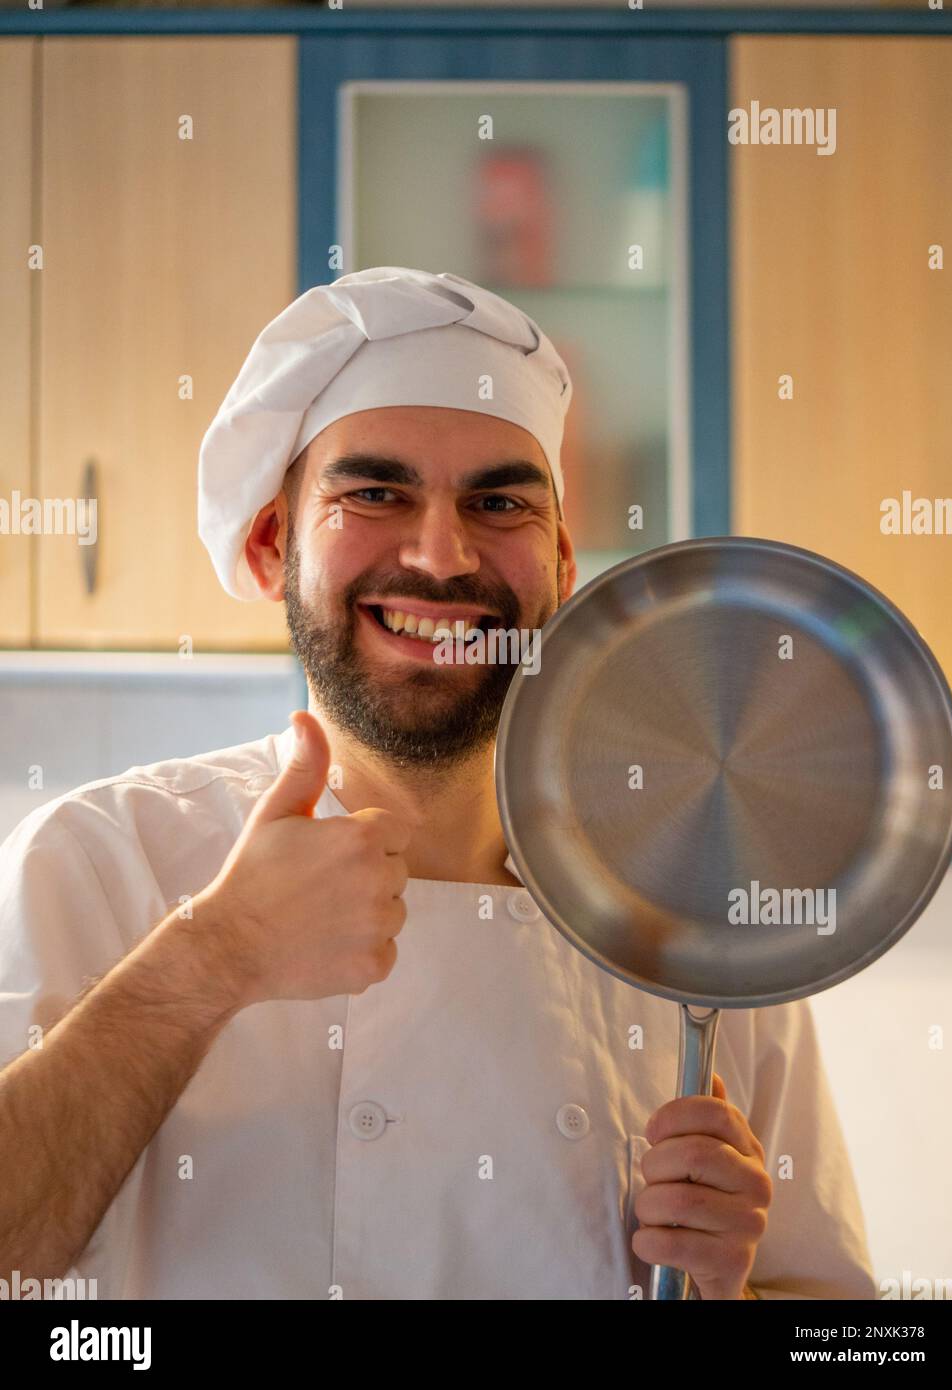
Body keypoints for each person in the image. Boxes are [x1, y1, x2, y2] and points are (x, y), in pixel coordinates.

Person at [0, 268, 875, 1301]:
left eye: (498, 501)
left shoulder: (692, 914)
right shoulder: (100, 862)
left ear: (557, 560)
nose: (441, 555)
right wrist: (212, 958)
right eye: (375, 492)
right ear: (275, 542)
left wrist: (723, 1296)